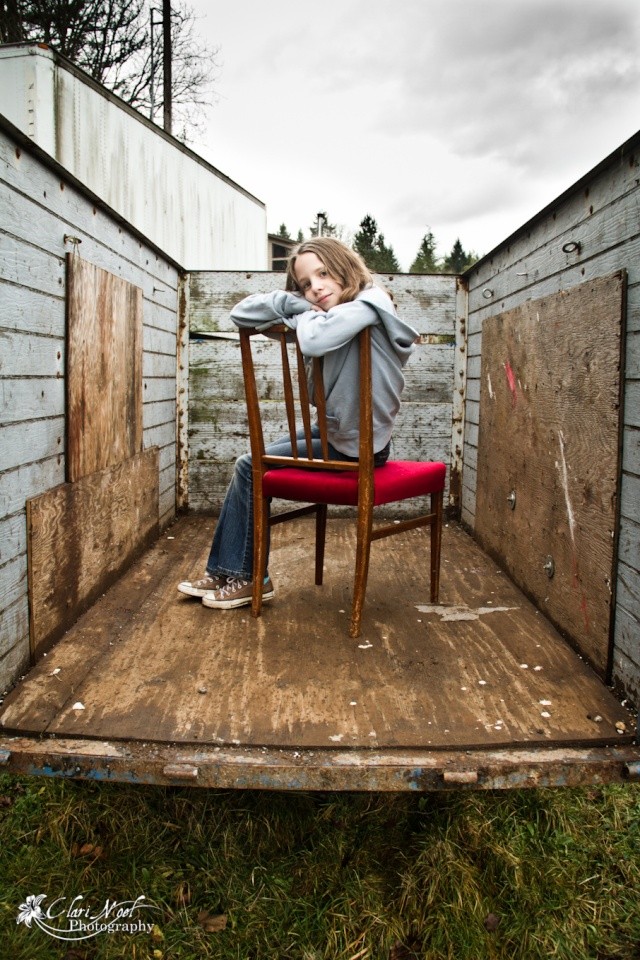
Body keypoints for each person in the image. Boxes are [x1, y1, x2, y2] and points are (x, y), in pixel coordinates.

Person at [177, 237, 418, 610]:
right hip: (337, 431)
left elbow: (315, 340)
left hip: (357, 445)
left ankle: (253, 578)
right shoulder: (328, 310)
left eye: (323, 274)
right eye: (306, 282)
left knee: (249, 465)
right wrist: (295, 302)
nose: (316, 287)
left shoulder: (371, 303)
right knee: (252, 461)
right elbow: (241, 313)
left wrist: (305, 315)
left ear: (345, 267)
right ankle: (227, 572)